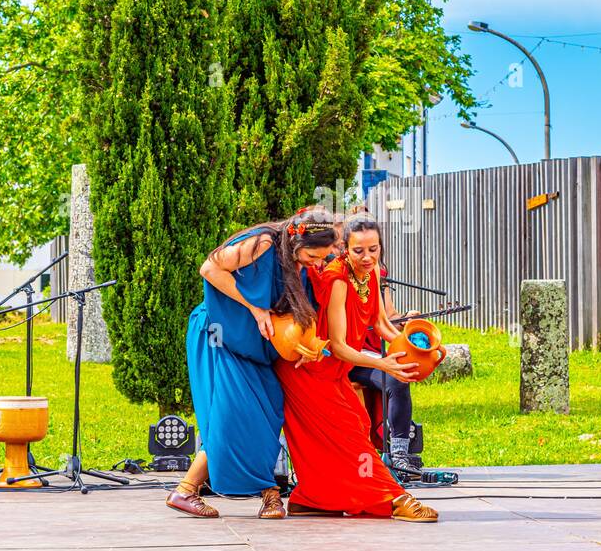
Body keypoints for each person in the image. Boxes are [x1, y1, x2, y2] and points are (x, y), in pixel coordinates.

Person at [168, 207, 337, 520]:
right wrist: (255, 307)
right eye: (314, 256)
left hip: (254, 347)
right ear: (298, 242)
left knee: (269, 411)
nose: (317, 263)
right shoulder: (262, 243)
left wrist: (309, 349)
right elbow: (209, 269)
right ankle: (192, 491)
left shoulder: (298, 264)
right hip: (220, 333)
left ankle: (261, 495)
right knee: (233, 415)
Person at [276, 215, 438, 521]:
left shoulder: (373, 272)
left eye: (373, 249)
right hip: (311, 369)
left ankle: (311, 497)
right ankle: (393, 499)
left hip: (333, 371)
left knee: (359, 425)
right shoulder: (337, 280)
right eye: (359, 251)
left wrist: (415, 347)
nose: (367, 257)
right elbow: (338, 345)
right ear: (344, 249)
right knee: (350, 433)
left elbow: (381, 325)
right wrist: (382, 363)